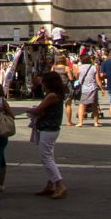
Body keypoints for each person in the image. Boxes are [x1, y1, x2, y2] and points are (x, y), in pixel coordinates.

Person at [28, 70, 68, 199]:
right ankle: (50, 184)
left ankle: (59, 184)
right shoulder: (56, 95)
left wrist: (29, 110)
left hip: (48, 128)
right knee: (48, 155)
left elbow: (39, 109)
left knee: (45, 156)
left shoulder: (52, 96)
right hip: (51, 127)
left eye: (43, 81)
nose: (41, 83)